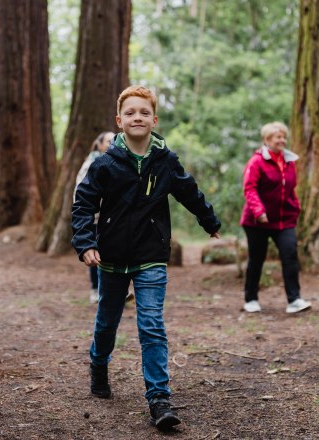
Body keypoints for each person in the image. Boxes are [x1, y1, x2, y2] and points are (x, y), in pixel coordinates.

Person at [72, 85, 221, 431]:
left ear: (154, 120)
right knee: (107, 320)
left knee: (151, 324)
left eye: (143, 112)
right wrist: (85, 243)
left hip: (151, 254)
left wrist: (209, 221)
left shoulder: (165, 161)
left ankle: (159, 398)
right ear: (119, 121)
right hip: (111, 256)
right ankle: (98, 363)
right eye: (130, 113)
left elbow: (189, 192)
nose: (136, 117)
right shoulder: (106, 163)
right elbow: (83, 204)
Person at [240, 121, 311, 314]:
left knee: (290, 255)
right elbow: (250, 188)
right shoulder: (257, 161)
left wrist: (295, 208)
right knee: (257, 259)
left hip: (283, 219)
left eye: (283, 136)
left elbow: (290, 189)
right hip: (257, 221)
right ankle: (251, 299)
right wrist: (259, 211)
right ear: (267, 139)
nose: (282, 140)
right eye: (278, 137)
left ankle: (294, 300)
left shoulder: (289, 161)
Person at [74, 131, 113, 304]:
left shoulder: (117, 161)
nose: (112, 143)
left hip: (111, 217)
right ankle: (95, 289)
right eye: (108, 140)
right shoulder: (92, 163)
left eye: (115, 139)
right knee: (93, 252)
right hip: (95, 217)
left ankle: (112, 289)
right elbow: (81, 192)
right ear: (99, 144)